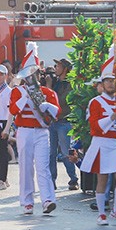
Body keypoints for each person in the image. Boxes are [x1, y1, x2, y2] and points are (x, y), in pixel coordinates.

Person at [81, 44, 116, 226]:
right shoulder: (95, 102)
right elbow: (94, 127)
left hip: (115, 143)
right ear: (102, 84)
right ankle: (102, 213)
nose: (111, 84)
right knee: (102, 178)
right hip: (101, 143)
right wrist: (110, 118)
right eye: (108, 81)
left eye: (114, 81)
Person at [9, 42, 60, 215]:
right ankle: (27, 202)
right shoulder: (17, 91)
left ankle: (48, 200)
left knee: (43, 167)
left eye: (34, 72)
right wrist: (25, 97)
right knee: (25, 167)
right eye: (28, 73)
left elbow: (57, 112)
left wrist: (47, 105)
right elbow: (13, 110)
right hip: (24, 131)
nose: (31, 76)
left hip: (41, 131)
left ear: (39, 73)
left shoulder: (48, 92)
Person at [48, 58, 79, 191]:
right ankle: (51, 180)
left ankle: (73, 179)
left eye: (58, 66)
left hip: (63, 122)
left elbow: (60, 102)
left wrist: (49, 88)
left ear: (65, 69)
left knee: (66, 153)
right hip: (52, 122)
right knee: (51, 153)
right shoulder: (56, 82)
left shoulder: (69, 84)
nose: (55, 68)